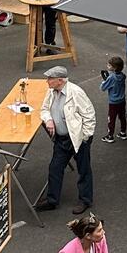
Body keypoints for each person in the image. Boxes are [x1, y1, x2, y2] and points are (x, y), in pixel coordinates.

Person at [36, 65, 96, 215]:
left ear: (60, 80)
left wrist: (85, 137)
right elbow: (44, 109)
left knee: (84, 169)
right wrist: (48, 119)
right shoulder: (52, 92)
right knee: (55, 168)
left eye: (50, 78)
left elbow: (89, 115)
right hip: (61, 139)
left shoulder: (76, 93)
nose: (47, 81)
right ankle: (52, 200)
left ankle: (85, 200)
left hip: (77, 138)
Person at [100, 56, 127, 142]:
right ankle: (123, 132)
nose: (107, 66)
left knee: (111, 119)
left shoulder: (111, 78)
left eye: (109, 65)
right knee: (122, 117)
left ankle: (110, 136)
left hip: (113, 102)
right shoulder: (123, 76)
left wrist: (104, 80)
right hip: (122, 101)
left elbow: (103, 88)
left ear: (114, 67)